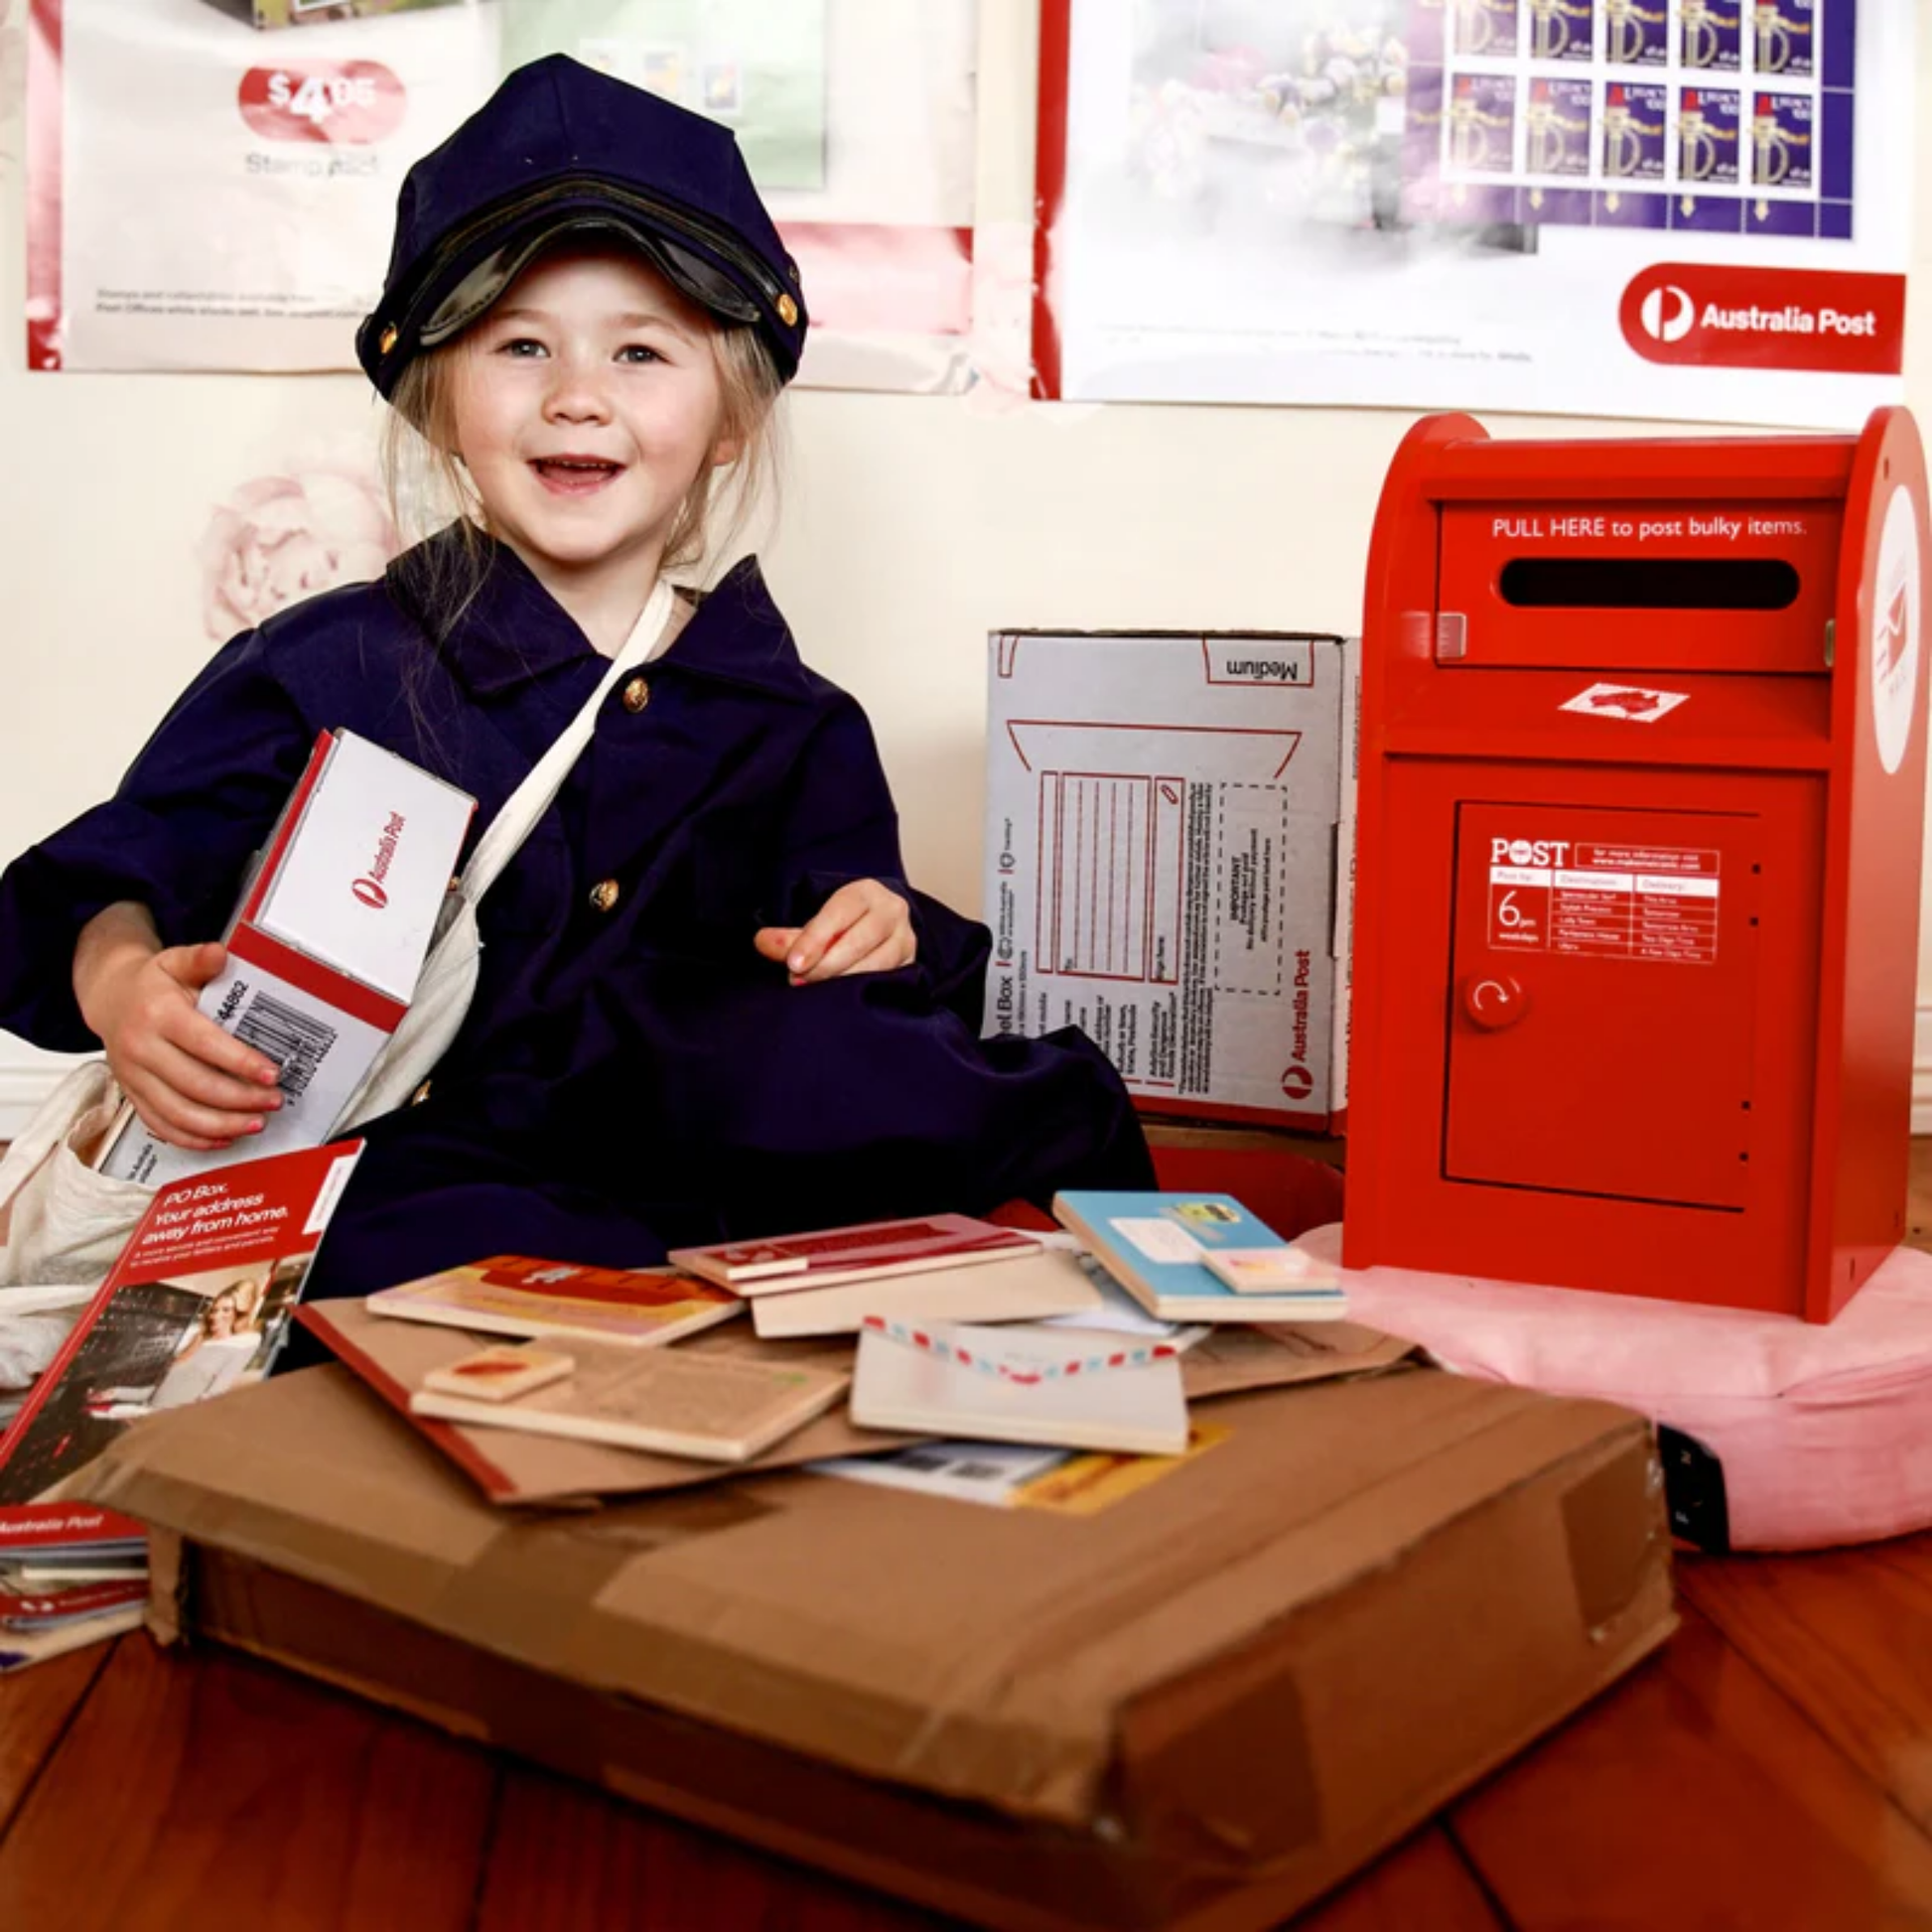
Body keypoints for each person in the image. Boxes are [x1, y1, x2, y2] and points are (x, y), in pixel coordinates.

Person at [0, 57, 1152, 1306]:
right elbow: (109, 879)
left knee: (913, 1078)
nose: (577, 397)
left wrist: (876, 922)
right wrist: (122, 985)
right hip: (429, 1168)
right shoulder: (325, 668)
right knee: (403, 1251)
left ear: (730, 419)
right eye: (521, 344)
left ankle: (1201, 1288)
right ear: (439, 401)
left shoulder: (788, 714)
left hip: (716, 1148)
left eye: (642, 351)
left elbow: (858, 934)